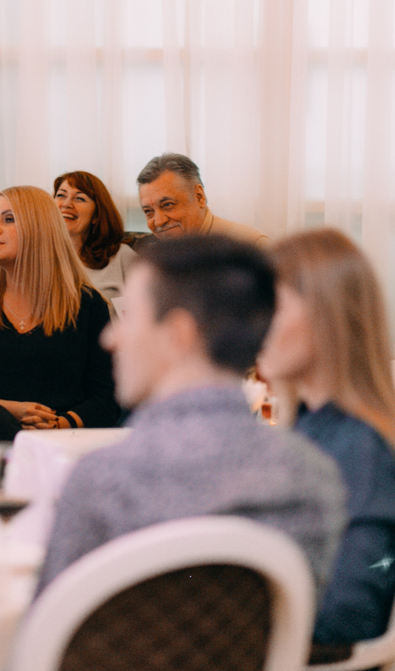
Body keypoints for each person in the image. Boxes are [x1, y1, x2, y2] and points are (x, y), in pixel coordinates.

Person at [36, 235, 345, 595]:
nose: (110, 338)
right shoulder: (315, 478)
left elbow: (48, 623)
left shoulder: (102, 481)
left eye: (128, 317)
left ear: (177, 334)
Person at [257, 228, 395, 644]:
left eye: (271, 306)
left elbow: (345, 614)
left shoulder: (363, 449)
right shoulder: (314, 429)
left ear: (326, 316)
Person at [0, 186, 120, 482]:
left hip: (63, 442)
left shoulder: (88, 306)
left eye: (8, 219)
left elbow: (107, 398)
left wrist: (58, 425)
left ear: (41, 228)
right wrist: (11, 409)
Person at [136, 153, 269, 244]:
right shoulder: (151, 254)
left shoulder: (249, 246)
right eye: (148, 211)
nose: (158, 221)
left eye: (167, 205)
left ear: (199, 197)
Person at [53, 171, 138, 301]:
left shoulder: (121, 256)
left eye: (79, 198)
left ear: (96, 216)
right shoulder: (35, 255)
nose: (66, 204)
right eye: (61, 195)